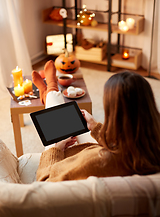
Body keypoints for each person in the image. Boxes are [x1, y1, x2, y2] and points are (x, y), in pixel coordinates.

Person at [32, 60, 160, 182]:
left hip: (77, 155)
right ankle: (49, 91)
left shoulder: (97, 162)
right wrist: (96, 127)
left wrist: (56, 149)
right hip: (107, 148)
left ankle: (50, 89)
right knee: (73, 121)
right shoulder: (151, 143)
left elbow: (45, 181)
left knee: (54, 126)